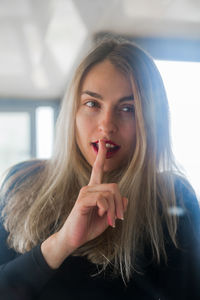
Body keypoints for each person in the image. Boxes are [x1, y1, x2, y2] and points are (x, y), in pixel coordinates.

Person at [0, 39, 200, 300]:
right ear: (73, 111)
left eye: (128, 109)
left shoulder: (172, 198)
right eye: (93, 104)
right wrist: (61, 243)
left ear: (151, 121)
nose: (107, 126)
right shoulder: (23, 181)